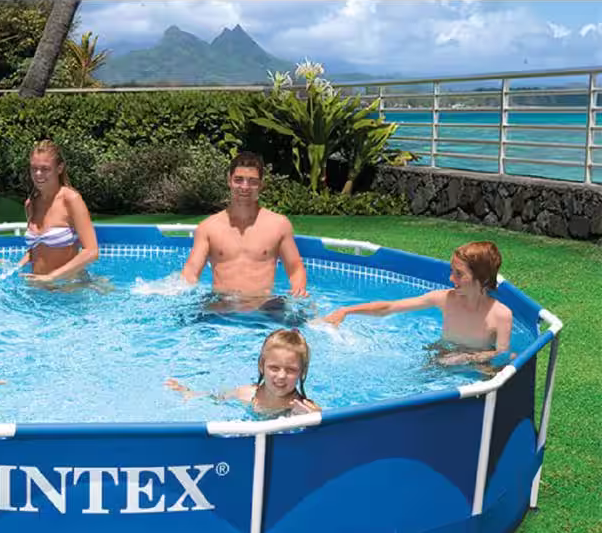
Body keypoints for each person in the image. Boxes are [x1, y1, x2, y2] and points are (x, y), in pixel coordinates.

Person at [320, 240, 513, 366]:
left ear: (482, 278)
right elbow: (390, 307)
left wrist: (467, 358)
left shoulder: (500, 315)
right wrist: (347, 310)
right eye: (452, 271)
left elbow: (501, 355)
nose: (451, 278)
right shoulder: (445, 299)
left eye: (459, 274)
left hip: (477, 365)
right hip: (440, 356)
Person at [180, 151, 308, 311]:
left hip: (263, 308)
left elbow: (295, 267)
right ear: (229, 181)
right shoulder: (208, 227)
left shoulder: (278, 225)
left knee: (308, 320)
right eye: (238, 180)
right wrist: (181, 291)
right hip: (222, 307)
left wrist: (298, 289)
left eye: (252, 181)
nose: (245, 187)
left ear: (261, 185)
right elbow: (191, 270)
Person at [167, 328, 320, 417]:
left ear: (302, 372)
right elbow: (216, 399)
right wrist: (189, 393)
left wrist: (311, 419)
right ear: (261, 366)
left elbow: (324, 424)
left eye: (291, 370)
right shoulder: (246, 394)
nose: (281, 376)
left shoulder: (304, 408)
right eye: (274, 368)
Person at [20, 140, 99, 284]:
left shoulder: (71, 199)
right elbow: (37, 249)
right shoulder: (31, 204)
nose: (38, 174)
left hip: (70, 287)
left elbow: (91, 251)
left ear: (59, 168)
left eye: (45, 169)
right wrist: (16, 267)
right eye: (34, 168)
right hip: (39, 287)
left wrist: (52, 277)